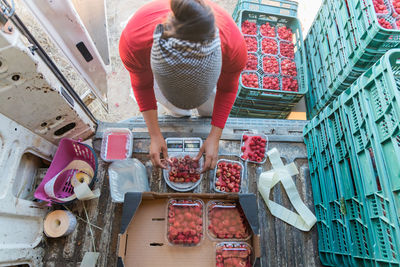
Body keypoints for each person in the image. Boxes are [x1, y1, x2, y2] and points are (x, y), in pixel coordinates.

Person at [119, 0, 247, 172]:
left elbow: (227, 89)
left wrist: (215, 136)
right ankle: (179, 112)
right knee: (176, 110)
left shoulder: (232, 45)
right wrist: (155, 135)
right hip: (148, 52)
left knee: (209, 108)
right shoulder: (134, 42)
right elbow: (142, 87)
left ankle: (200, 112)